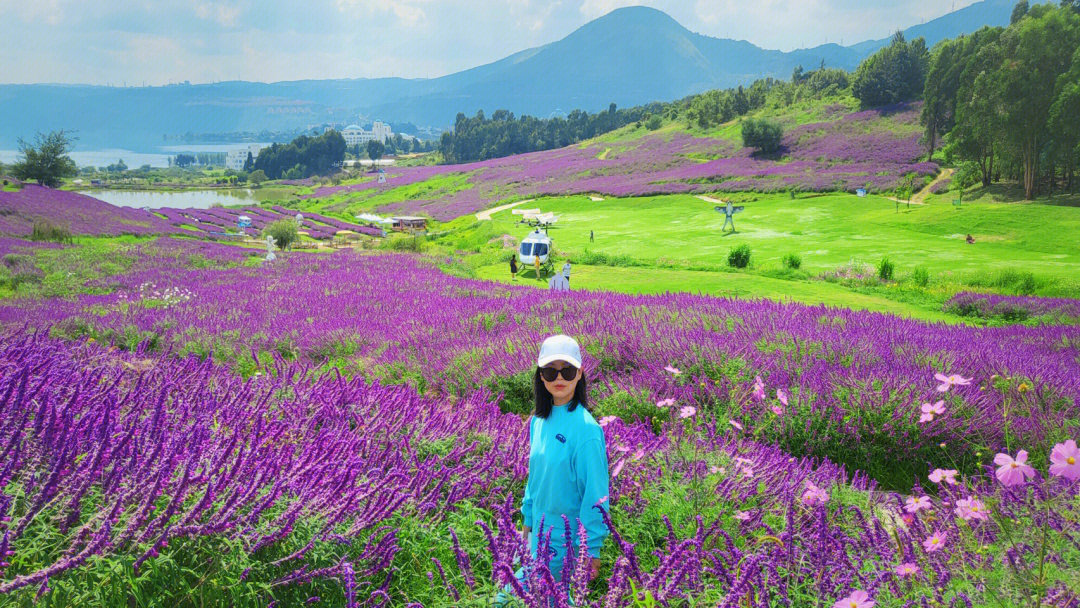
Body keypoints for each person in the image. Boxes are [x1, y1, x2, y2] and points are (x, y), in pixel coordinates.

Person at [493, 335, 609, 606]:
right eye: (550, 370)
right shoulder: (538, 422)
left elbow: (596, 495)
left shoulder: (587, 430)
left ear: (580, 374)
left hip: (564, 541)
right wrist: (527, 518)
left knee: (511, 599)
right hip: (536, 536)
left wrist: (591, 550)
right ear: (541, 376)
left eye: (567, 371)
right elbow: (535, 478)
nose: (559, 378)